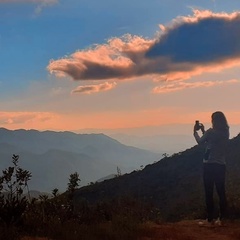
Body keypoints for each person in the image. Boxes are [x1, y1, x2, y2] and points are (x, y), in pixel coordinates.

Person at [193, 111, 229, 227]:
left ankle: (210, 219)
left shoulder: (210, 132)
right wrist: (204, 131)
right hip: (221, 165)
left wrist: (195, 132)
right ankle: (222, 218)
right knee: (221, 192)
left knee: (209, 192)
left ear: (214, 120)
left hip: (209, 165)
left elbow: (200, 142)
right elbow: (212, 142)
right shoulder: (225, 132)